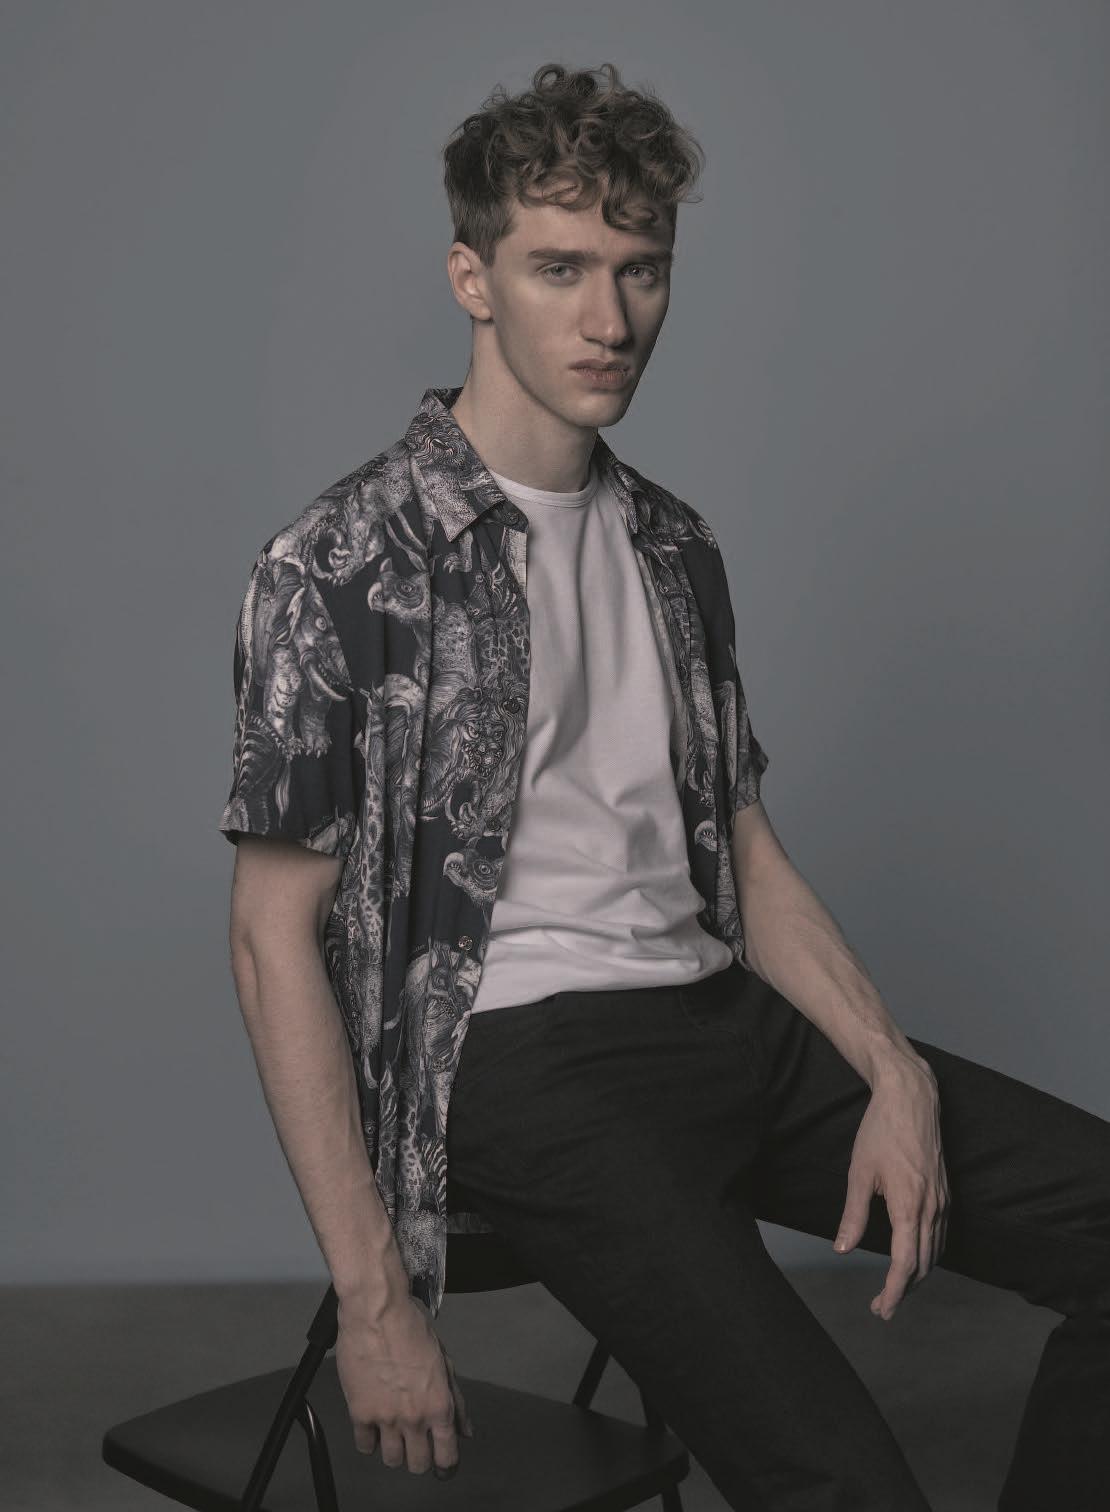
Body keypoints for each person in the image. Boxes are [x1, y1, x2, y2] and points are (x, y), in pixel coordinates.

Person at [218, 60, 1109, 1509]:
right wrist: (374, 1300)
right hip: (519, 1065)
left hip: (721, 1024)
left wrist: (889, 1067)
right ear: (472, 278)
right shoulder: (343, 561)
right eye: (558, 267)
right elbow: (272, 941)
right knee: (842, 1481)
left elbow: (738, 841)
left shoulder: (673, 546)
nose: (609, 318)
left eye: (640, 269)